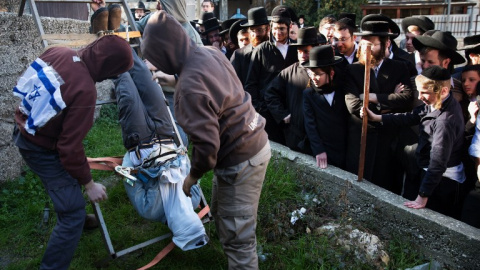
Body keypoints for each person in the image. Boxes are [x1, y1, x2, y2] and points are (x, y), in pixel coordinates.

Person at [142, 11, 271, 269]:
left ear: (165, 53)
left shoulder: (189, 88)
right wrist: (176, 79)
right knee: (223, 213)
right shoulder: (209, 52)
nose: (154, 62)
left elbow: (207, 147)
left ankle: (242, 259)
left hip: (241, 159)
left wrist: (192, 177)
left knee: (239, 238)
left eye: (154, 57)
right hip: (255, 139)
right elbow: (209, 80)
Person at [12, 35, 133, 270]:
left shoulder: (59, 51)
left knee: (70, 178)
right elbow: (69, 148)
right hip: (39, 147)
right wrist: (90, 184)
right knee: (73, 212)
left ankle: (77, 217)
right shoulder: (85, 91)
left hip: (25, 127)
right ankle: (71, 227)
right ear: (109, 68)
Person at [364, 66, 467, 219]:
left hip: (442, 184)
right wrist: (378, 118)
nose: (420, 97)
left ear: (443, 91)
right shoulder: (437, 102)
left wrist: (423, 196)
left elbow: (438, 162)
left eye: (424, 92)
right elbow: (411, 116)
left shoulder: (445, 122)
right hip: (428, 174)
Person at [344, 21, 413, 190]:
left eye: (372, 45)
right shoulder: (353, 70)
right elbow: (352, 102)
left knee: (385, 184)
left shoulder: (400, 67)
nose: (366, 49)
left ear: (386, 44)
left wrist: (374, 98)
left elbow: (406, 99)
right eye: (363, 44)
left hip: (387, 139)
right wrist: (388, 103)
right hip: (361, 137)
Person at [244, 5, 298, 145]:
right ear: (270, 27)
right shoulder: (262, 50)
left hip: (291, 114)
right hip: (267, 114)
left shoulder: (296, 50)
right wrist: (259, 109)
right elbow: (250, 84)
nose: (278, 32)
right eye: (275, 28)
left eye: (281, 29)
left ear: (290, 26)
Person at [265, 27, 322, 154]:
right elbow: (270, 94)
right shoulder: (288, 72)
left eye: (306, 51)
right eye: (299, 51)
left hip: (320, 135)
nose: (302, 55)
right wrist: (282, 114)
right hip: (296, 136)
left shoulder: (324, 71)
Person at [303, 45, 348, 169]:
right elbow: (310, 125)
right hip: (324, 150)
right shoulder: (309, 94)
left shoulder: (342, 90)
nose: (314, 78)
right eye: (311, 73)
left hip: (344, 149)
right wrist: (319, 150)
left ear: (331, 73)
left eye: (318, 74)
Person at [230, 7, 270, 86]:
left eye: (259, 30)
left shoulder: (274, 52)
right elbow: (234, 85)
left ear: (267, 29)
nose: (256, 35)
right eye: (252, 30)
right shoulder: (239, 55)